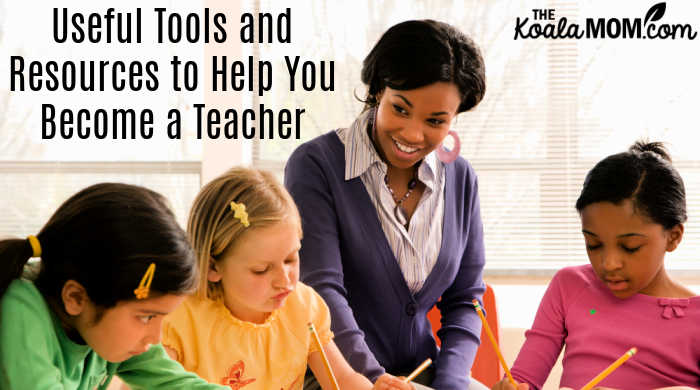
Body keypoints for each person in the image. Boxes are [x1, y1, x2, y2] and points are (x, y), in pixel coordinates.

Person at [284, 19, 489, 390]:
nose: (413, 134)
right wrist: (375, 379)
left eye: (435, 121)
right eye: (400, 109)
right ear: (379, 89)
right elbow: (321, 290)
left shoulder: (460, 179)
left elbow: (465, 300)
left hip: (425, 376)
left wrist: (454, 383)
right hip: (336, 376)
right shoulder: (317, 166)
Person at [161, 167, 412, 390]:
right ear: (212, 267)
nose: (285, 280)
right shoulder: (178, 319)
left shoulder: (303, 307)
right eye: (261, 270)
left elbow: (342, 380)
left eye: (291, 259)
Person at [492, 141, 700, 390]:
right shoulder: (570, 286)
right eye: (593, 244)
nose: (609, 264)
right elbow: (523, 380)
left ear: (673, 237)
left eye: (630, 247)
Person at [0, 183, 228, 389]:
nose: (156, 338)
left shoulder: (106, 329)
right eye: (147, 317)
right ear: (76, 298)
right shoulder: (20, 309)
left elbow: (178, 384)